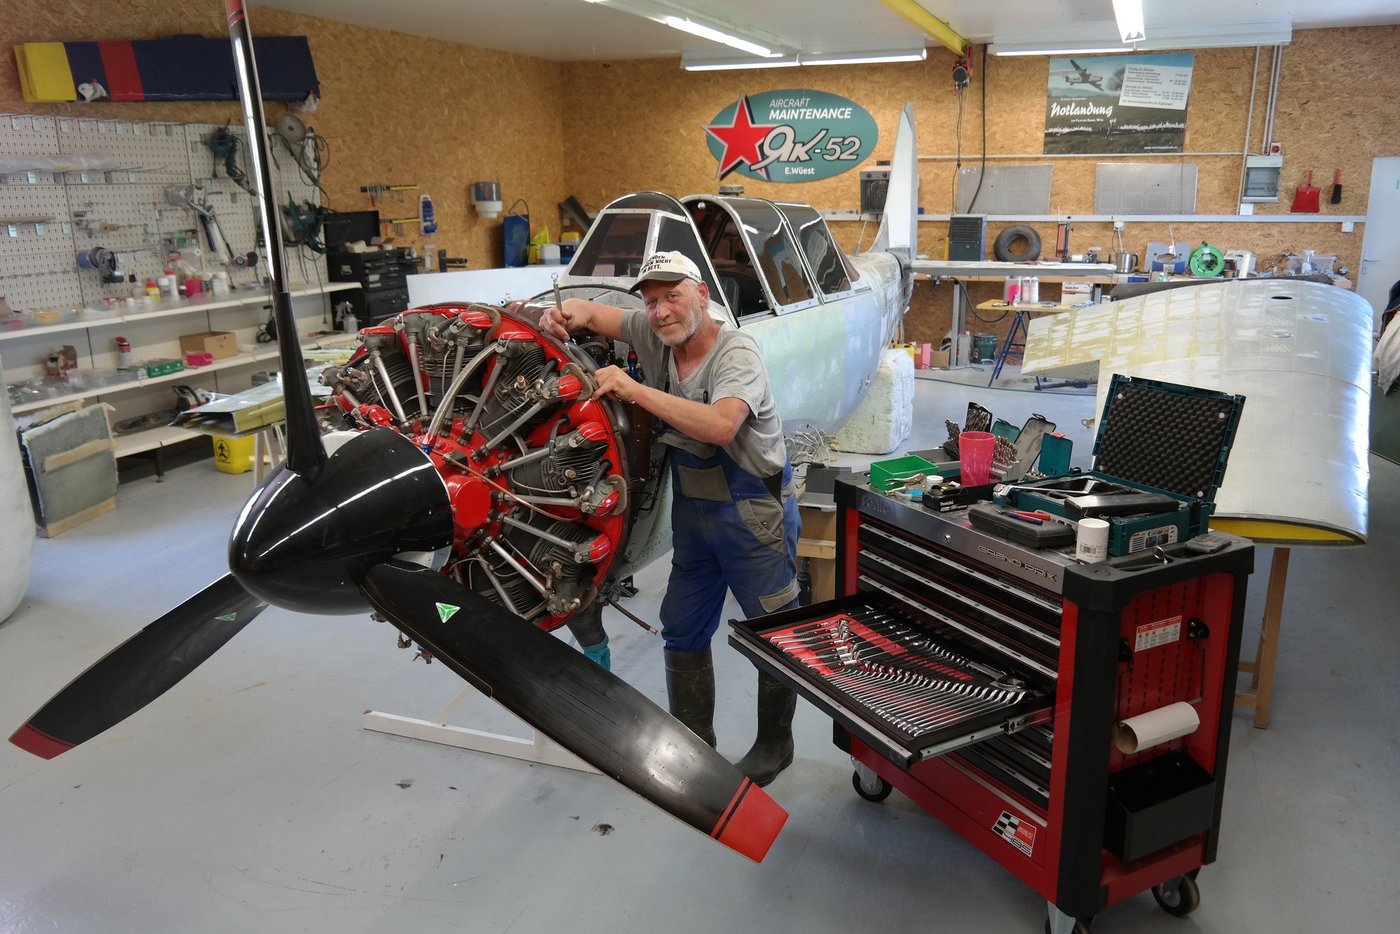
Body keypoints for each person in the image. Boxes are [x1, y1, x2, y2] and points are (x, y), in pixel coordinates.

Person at [540, 250, 800, 786]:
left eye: (672, 296)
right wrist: (559, 315)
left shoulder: (737, 353)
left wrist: (635, 390)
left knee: (774, 633)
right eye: (651, 301)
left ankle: (776, 744)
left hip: (752, 511)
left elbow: (721, 426)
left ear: (701, 294)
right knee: (681, 628)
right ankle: (694, 744)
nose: (660, 312)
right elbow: (593, 312)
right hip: (695, 511)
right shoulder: (655, 330)